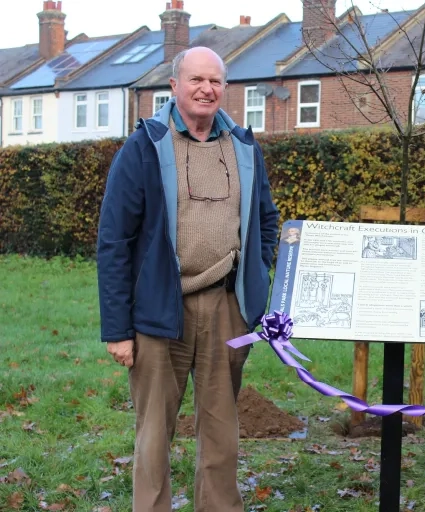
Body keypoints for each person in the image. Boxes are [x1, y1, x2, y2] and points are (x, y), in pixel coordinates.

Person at [96, 46, 279, 512]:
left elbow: (266, 220)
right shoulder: (145, 146)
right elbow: (114, 241)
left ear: (225, 88)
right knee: (154, 434)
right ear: (174, 86)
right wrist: (118, 330)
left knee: (221, 432)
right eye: (196, 80)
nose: (206, 89)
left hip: (226, 310)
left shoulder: (243, 145)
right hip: (161, 311)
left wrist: (252, 283)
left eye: (215, 81)